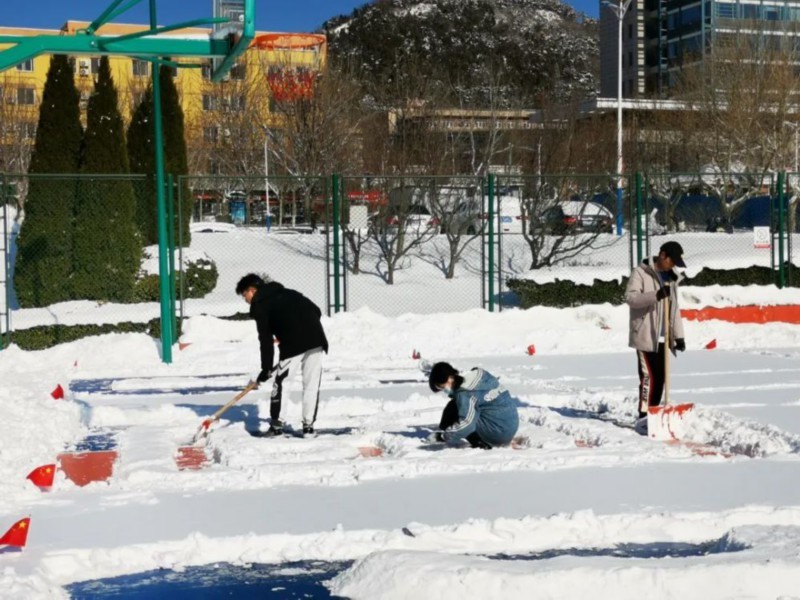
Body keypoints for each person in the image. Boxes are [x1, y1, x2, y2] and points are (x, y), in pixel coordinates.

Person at [236, 273, 329, 437]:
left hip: (293, 344)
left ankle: (277, 426)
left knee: (282, 384)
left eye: (245, 295)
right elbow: (316, 310)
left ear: (252, 290)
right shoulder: (289, 292)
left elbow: (265, 341)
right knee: (311, 384)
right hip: (316, 338)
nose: (246, 300)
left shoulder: (260, 305)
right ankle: (308, 427)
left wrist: (265, 369)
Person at [624, 241, 687, 434]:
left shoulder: (671, 278)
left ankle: (655, 413)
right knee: (649, 377)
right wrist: (656, 295)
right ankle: (644, 416)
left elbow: (673, 309)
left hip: (663, 337)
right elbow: (631, 298)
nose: (673, 266)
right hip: (645, 335)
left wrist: (678, 336)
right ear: (662, 255)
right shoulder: (640, 273)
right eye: (672, 261)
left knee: (661, 378)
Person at [427, 362, 519, 449]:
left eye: (442, 387)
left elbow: (467, 423)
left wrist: (443, 437)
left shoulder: (465, 393)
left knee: (457, 413)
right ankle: (446, 428)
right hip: (512, 423)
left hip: (499, 433)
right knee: (455, 405)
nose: (443, 391)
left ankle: (481, 444)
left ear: (450, 378)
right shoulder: (480, 374)